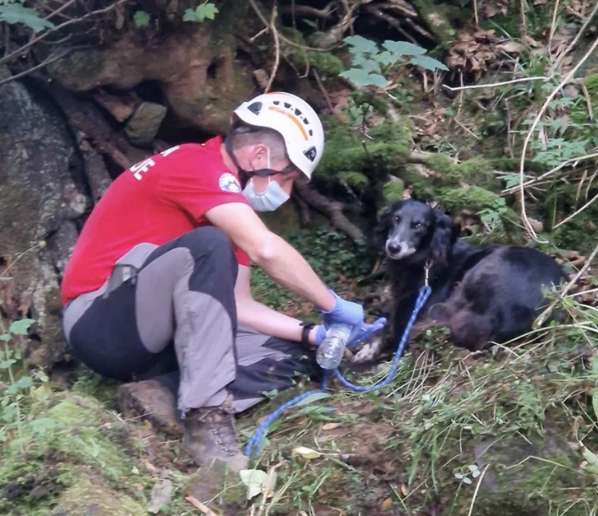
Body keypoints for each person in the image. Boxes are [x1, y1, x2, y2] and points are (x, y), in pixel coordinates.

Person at [60, 92, 375, 471]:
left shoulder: (227, 207)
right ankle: (206, 421)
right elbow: (267, 250)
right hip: (99, 321)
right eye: (288, 177)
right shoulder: (196, 165)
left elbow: (238, 305)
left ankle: (158, 395)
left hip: (156, 338)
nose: (287, 193)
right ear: (259, 157)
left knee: (294, 353)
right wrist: (333, 306)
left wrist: (313, 334)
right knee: (209, 245)